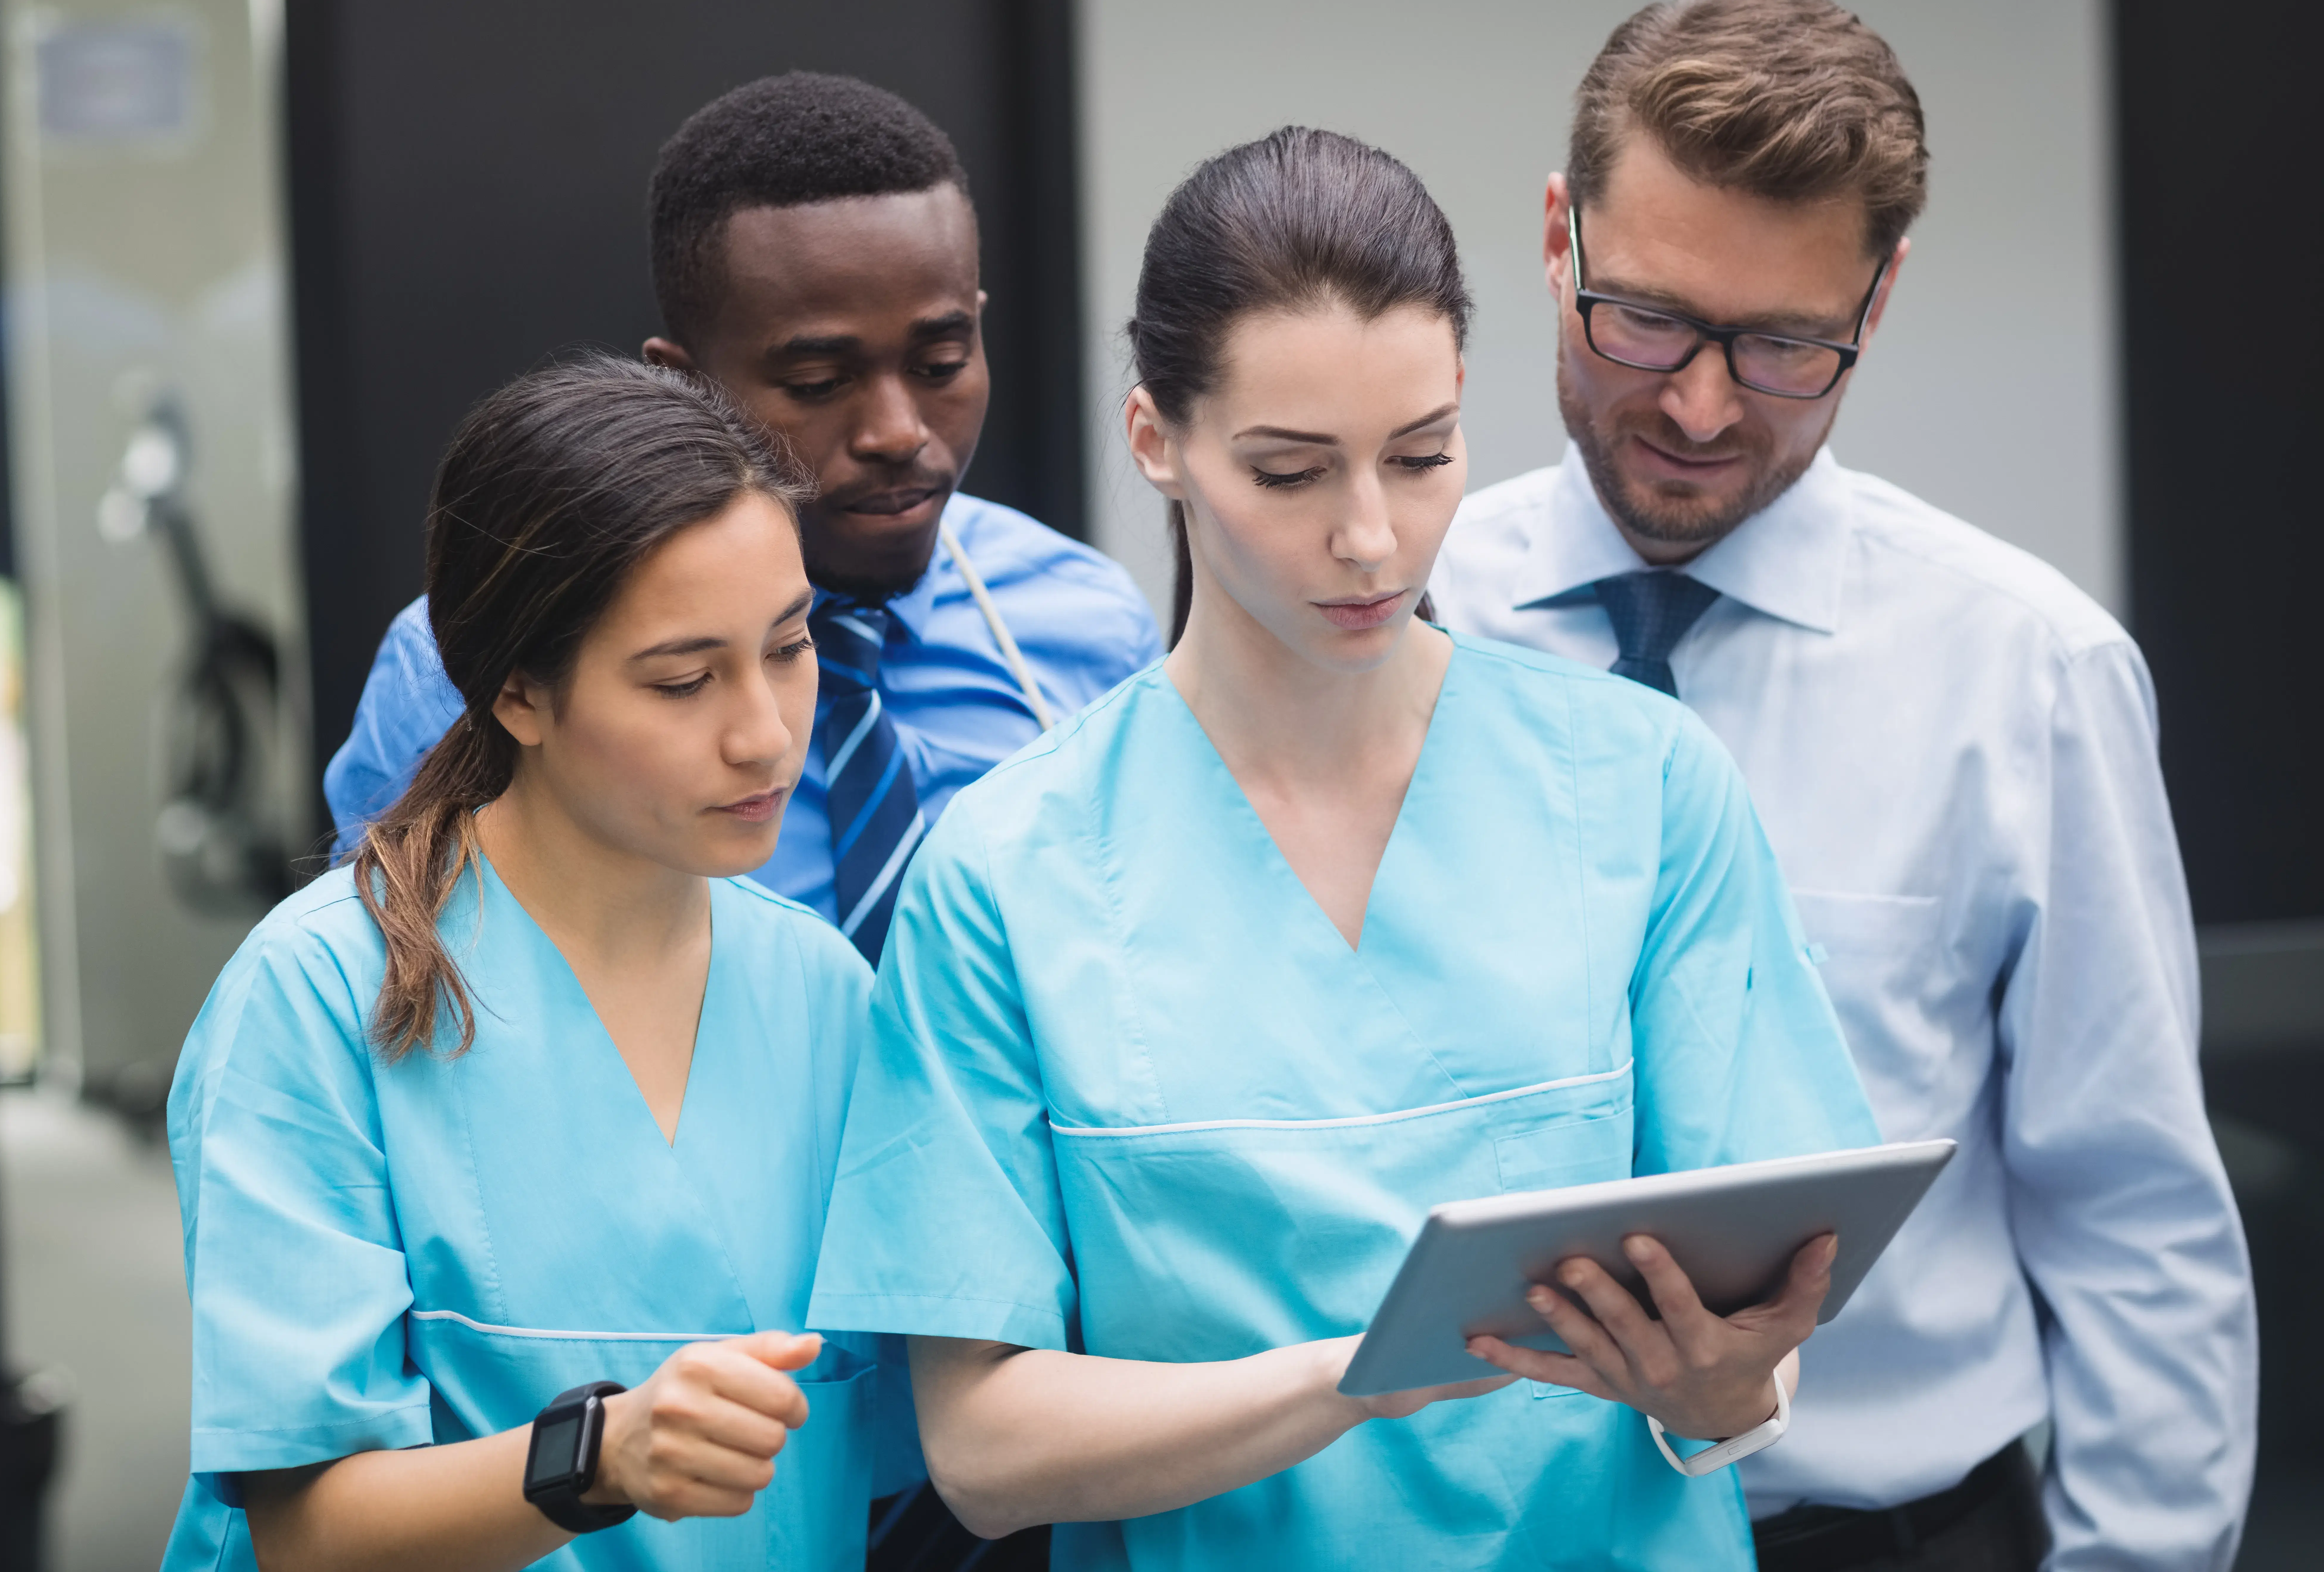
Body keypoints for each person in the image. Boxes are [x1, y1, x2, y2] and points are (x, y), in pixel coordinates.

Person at [805, 127, 1883, 1571]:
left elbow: (1759, 1316)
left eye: (1422, 455)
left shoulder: (1646, 791)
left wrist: (1730, 1383)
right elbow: (987, 1452)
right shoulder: (1007, 868)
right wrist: (1362, 1377)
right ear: (1157, 443)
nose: (1374, 538)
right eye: (1292, 472)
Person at [1430, 0, 2256, 1572]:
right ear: (1557, 238)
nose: (1697, 403)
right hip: (1471, 1529)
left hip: (1879, 1533)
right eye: (1648, 317)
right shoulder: (1397, 620)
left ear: (1875, 305)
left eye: (1785, 345)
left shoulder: (2030, 673)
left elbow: (2136, 1221)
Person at [160, 356, 888, 1571]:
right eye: (683, 678)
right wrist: (599, 1455)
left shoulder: (828, 997)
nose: (766, 730)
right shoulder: (311, 1002)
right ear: (517, 691)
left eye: (792, 643)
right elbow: (302, 1528)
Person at [325, 72, 1163, 965]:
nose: (897, 432)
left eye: (941, 361)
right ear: (682, 382)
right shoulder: (472, 659)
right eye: (817, 384)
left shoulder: (1085, 626)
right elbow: (393, 996)